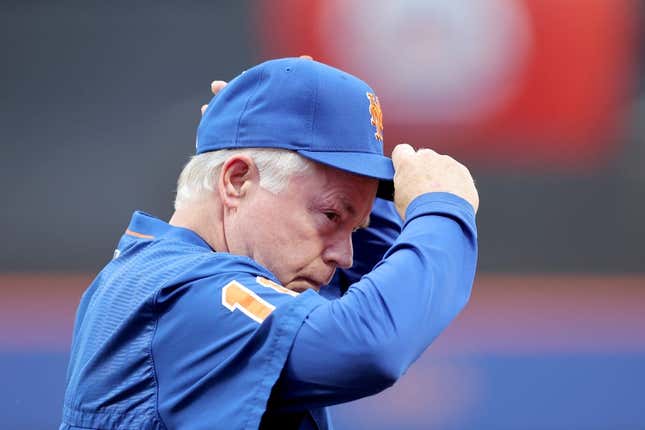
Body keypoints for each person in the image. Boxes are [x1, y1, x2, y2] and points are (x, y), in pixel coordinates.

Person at [60, 57, 479, 430]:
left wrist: (247, 128)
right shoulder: (181, 293)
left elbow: (398, 293)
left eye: (352, 228)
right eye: (332, 217)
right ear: (236, 181)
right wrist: (443, 210)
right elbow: (370, 343)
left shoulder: (173, 268)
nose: (345, 255)